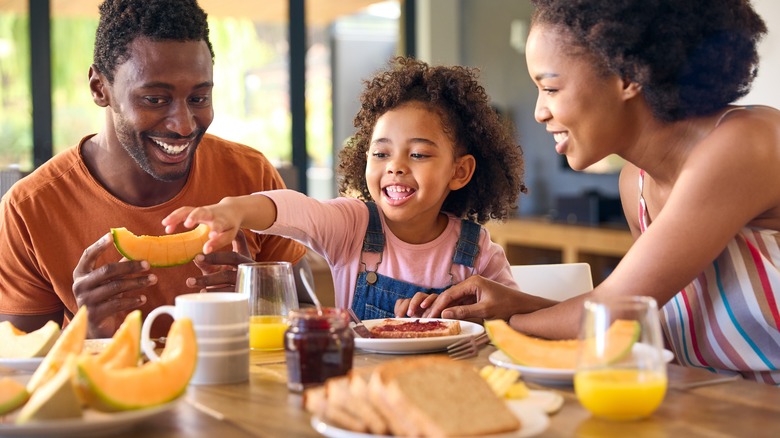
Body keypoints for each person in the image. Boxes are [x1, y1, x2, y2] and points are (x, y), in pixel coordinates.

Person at [404, 0, 780, 385]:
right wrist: (518, 304)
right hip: (708, 408)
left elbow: (613, 312)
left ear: (628, 75)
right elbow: (635, 318)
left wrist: (501, 321)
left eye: (550, 87)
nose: (539, 111)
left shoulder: (749, 142)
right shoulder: (634, 183)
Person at [0, 0, 310, 339]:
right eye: (155, 99)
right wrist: (88, 334)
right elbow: (16, 364)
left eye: (198, 98)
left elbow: (313, 318)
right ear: (99, 88)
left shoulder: (252, 176)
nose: (183, 126)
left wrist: (261, 300)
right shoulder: (29, 208)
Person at [162, 56, 527, 320]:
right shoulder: (353, 225)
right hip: (361, 392)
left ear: (459, 171)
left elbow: (513, 318)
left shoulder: (476, 250)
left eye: (417, 154)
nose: (395, 166)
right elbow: (295, 209)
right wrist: (236, 210)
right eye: (381, 153)